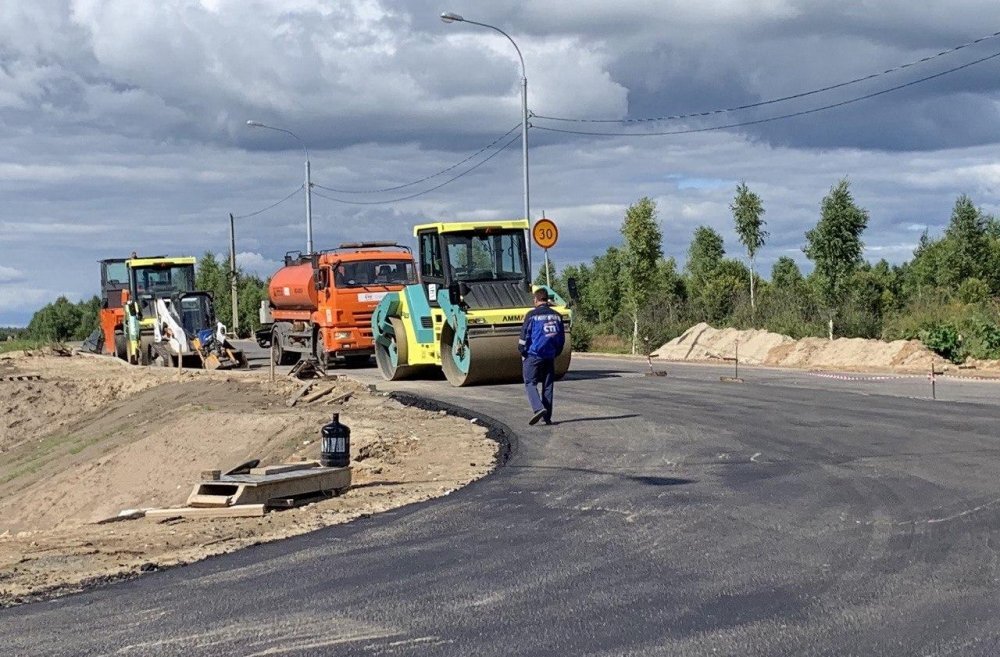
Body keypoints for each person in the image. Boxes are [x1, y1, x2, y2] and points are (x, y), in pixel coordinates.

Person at [519, 289, 566, 426]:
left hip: (533, 355)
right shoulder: (557, 316)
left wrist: (522, 351)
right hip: (549, 355)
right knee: (548, 385)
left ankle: (539, 408)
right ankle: (547, 418)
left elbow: (524, 336)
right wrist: (556, 352)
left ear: (536, 299)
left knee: (530, 383)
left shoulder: (532, 315)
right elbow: (561, 338)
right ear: (547, 299)